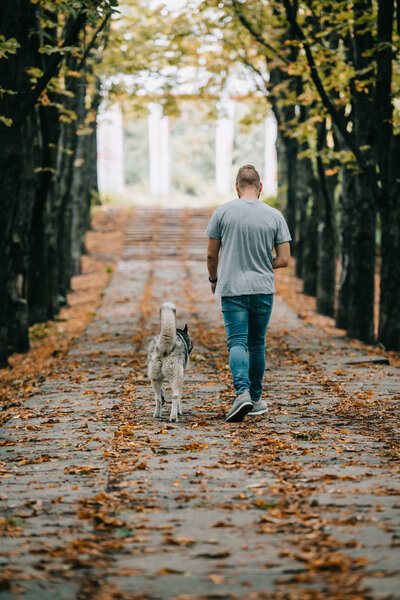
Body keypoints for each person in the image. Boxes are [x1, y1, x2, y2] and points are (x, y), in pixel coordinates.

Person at [206, 164, 291, 423]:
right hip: (263, 289)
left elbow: (211, 254)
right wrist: (266, 264)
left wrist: (214, 278)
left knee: (237, 342)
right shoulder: (274, 215)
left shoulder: (223, 212)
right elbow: (285, 259)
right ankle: (255, 399)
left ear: (237, 186)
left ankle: (241, 392)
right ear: (261, 187)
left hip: (232, 288)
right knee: (257, 343)